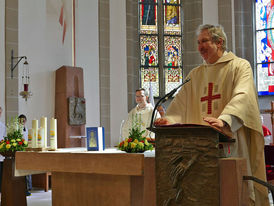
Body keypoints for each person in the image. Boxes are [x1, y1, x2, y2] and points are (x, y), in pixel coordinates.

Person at [154, 24, 269, 206]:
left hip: (230, 141)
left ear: (219, 42)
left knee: (232, 194)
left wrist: (225, 120)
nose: (200, 47)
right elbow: (180, 105)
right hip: (198, 149)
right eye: (198, 42)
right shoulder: (195, 75)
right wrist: (168, 120)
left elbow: (243, 96)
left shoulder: (239, 66)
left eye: (205, 41)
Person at [18, 114, 32, 196]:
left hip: (26, 152)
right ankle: (22, 188)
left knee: (27, 171)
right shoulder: (16, 130)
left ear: (26, 121)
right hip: (19, 152)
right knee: (21, 172)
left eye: (24, 120)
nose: (22, 121)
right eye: (21, 120)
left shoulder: (27, 129)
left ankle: (28, 188)